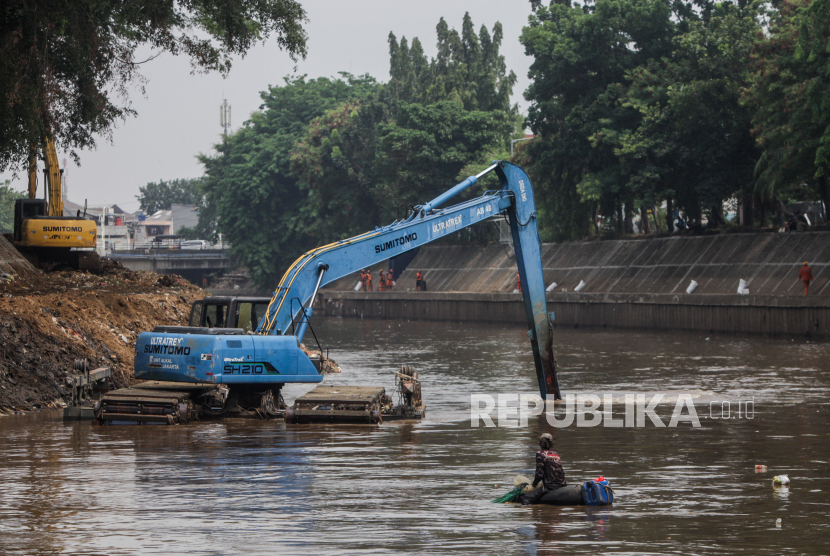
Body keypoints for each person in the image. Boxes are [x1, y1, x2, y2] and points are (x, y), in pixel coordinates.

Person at [518, 433, 567, 505]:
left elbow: (539, 475)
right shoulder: (555, 454)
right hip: (562, 485)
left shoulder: (540, 454)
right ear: (552, 444)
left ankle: (532, 513)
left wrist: (533, 486)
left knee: (525, 498)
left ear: (539, 443)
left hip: (550, 487)